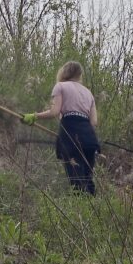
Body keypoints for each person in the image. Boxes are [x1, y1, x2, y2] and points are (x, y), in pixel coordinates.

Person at [22, 61, 101, 195]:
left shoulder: (60, 86)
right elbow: (93, 122)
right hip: (89, 138)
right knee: (88, 180)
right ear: (79, 75)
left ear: (64, 72)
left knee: (76, 180)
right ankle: (93, 206)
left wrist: (34, 116)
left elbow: (54, 112)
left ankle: (81, 205)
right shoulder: (89, 93)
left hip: (71, 135)